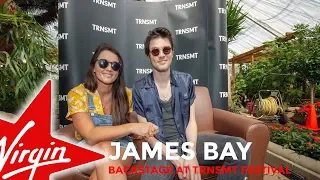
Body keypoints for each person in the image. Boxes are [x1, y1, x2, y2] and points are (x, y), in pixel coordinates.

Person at [132, 27, 251, 180]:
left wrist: (191, 153)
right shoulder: (140, 88)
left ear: (172, 52)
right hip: (161, 148)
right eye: (155, 51)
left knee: (239, 148)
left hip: (186, 141)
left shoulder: (185, 80)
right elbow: (147, 136)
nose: (161, 55)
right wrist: (176, 159)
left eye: (166, 50)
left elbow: (190, 121)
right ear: (149, 56)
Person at [66, 43, 158, 180]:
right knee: (105, 149)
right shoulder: (78, 94)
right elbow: (91, 135)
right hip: (88, 147)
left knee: (105, 153)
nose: (109, 68)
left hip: (122, 147)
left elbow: (139, 132)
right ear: (94, 68)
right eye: (103, 63)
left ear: (118, 72)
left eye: (115, 66)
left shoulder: (128, 95)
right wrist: (131, 127)